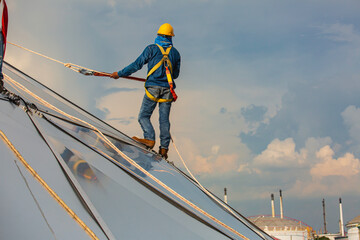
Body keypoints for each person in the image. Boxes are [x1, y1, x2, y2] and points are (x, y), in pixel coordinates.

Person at [110, 23, 181, 159]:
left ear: (159, 35)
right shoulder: (175, 53)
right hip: (168, 90)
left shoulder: (151, 49)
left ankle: (149, 138)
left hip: (153, 88)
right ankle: (164, 150)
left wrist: (119, 74)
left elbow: (137, 65)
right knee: (164, 120)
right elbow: (175, 74)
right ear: (171, 37)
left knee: (143, 116)